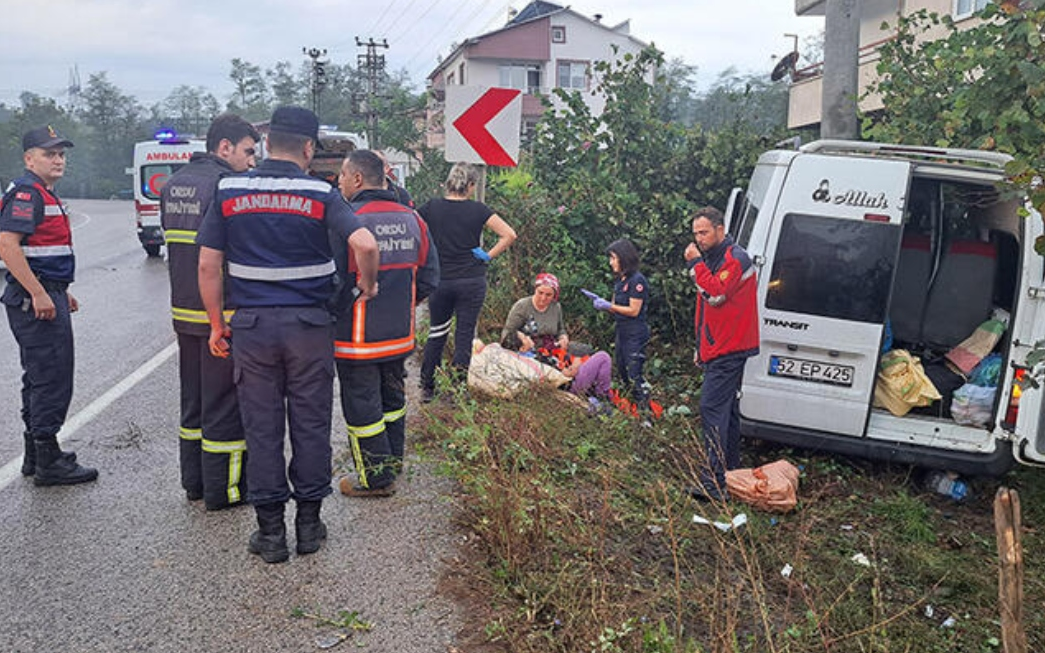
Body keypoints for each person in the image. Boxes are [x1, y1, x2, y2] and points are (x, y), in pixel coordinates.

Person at [197, 106, 380, 563]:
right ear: (307, 147)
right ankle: (309, 526)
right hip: (309, 329)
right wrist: (369, 285)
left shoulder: (229, 189)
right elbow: (365, 245)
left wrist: (218, 324)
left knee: (262, 428)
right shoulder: (319, 193)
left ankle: (271, 535)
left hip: (254, 330)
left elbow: (207, 264)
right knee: (310, 424)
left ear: (265, 143)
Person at [161, 113, 259, 509]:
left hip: (183, 312)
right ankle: (227, 490)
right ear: (224, 147)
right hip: (220, 314)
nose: (252, 162)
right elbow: (224, 258)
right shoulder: (226, 187)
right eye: (248, 152)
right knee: (224, 403)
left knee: (194, 402)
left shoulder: (172, 184)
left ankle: (196, 482)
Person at [333, 150, 439, 497]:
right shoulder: (413, 219)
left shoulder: (348, 220)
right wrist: (405, 305)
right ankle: (392, 464)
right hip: (399, 335)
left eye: (343, 175)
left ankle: (375, 479)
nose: (339, 181)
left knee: (363, 407)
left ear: (358, 179)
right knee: (393, 400)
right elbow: (429, 277)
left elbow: (332, 279)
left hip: (357, 338)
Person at [0, 125, 98, 486]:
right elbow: (7, 245)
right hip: (34, 299)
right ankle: (48, 460)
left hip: (43, 291)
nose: (58, 160)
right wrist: (40, 292)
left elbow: (39, 251)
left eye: (61, 154)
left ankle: (35, 452)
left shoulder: (40, 191)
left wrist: (57, 289)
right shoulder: (29, 194)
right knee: (52, 377)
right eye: (49, 154)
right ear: (29, 159)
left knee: (39, 375)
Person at [418, 162, 516, 401]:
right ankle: (455, 391)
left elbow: (413, 227)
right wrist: (488, 255)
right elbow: (509, 234)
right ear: (471, 185)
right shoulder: (478, 210)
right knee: (464, 336)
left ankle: (427, 387)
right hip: (471, 280)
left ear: (449, 182)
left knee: (437, 333)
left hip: (441, 280)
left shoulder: (431, 208)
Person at [684, 206, 760, 502]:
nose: (699, 238)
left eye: (704, 232)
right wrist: (700, 347)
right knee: (726, 411)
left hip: (730, 348)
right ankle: (730, 473)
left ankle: (714, 482)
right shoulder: (714, 258)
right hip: (719, 346)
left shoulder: (735, 259)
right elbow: (707, 307)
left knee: (711, 409)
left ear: (720, 228)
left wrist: (694, 265)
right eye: (695, 234)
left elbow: (715, 295)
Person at [587, 239, 651, 415]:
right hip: (621, 331)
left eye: (614, 258)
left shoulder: (637, 280)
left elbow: (633, 310)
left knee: (633, 372)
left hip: (635, 333)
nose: (611, 262)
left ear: (624, 257)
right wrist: (601, 303)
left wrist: (609, 306)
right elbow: (616, 309)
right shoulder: (620, 281)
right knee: (622, 370)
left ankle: (646, 414)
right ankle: (629, 409)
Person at [500, 330, 612, 402]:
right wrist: (575, 366)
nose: (528, 337)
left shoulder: (528, 359)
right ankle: (603, 395)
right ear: (522, 348)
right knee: (603, 357)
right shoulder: (535, 360)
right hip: (571, 387)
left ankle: (601, 393)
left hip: (569, 381)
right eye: (524, 337)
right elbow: (564, 375)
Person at [501, 273, 570, 353]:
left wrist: (563, 338)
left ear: (554, 295)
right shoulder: (522, 306)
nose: (543, 298)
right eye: (540, 293)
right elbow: (507, 332)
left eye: (548, 295)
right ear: (535, 290)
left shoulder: (556, 307)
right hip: (525, 350)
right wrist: (522, 338)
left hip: (550, 349)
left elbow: (560, 329)